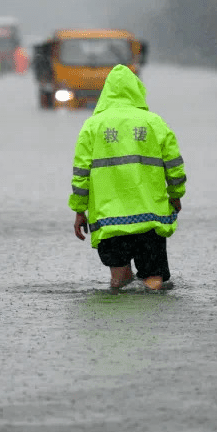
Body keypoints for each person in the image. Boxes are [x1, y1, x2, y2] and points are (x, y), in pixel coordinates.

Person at [69, 64, 186, 291]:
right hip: (150, 220)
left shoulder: (92, 127)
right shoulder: (154, 123)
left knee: (119, 282)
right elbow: (174, 166)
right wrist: (175, 195)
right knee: (154, 281)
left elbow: (81, 174)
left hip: (109, 221)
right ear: (136, 90)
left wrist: (79, 210)